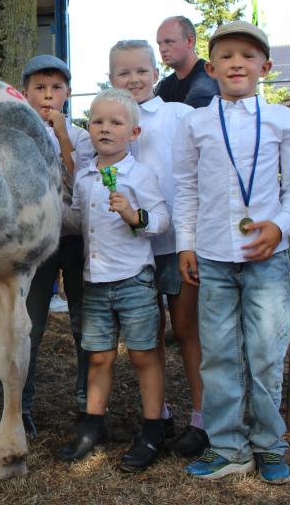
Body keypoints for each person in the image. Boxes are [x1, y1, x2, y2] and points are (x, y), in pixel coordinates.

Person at [174, 21, 290, 483]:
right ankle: (229, 446)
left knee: (266, 354)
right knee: (218, 355)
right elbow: (185, 188)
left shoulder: (281, 120)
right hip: (213, 256)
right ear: (211, 68)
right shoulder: (195, 123)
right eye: (227, 56)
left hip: (267, 259)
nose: (237, 64)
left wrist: (280, 225)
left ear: (265, 68)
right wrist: (186, 245)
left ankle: (269, 443)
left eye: (248, 56)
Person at [58, 88, 169, 472]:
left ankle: (153, 428)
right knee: (99, 355)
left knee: (143, 354)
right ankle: (93, 424)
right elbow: (78, 219)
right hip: (96, 282)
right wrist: (53, 213)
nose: (105, 129)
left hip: (134, 279)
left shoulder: (140, 175)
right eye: (97, 122)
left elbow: (161, 220)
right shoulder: (86, 175)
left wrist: (135, 216)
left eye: (115, 123)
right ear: (88, 128)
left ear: (133, 133)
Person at [107, 40, 206, 456]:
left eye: (141, 71)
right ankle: (158, 415)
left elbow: (196, 174)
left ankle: (202, 418)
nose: (134, 79)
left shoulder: (177, 115)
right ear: (111, 78)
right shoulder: (108, 121)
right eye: (124, 73)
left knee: (186, 330)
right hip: (132, 249)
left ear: (155, 73)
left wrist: (191, 239)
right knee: (147, 335)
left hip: (174, 243)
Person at [18, 55, 92, 438]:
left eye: (56, 88)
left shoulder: (81, 136)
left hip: (76, 239)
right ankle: (21, 407)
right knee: (29, 326)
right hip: (35, 243)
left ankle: (87, 406)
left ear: (68, 92)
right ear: (25, 93)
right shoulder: (18, 136)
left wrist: (63, 136)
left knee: (84, 324)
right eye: (40, 88)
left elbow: (83, 185)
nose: (48, 95)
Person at [155, 16, 219, 109]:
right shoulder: (164, 86)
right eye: (159, 44)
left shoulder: (207, 78)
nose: (162, 49)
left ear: (189, 41)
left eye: (169, 42)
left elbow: (192, 116)